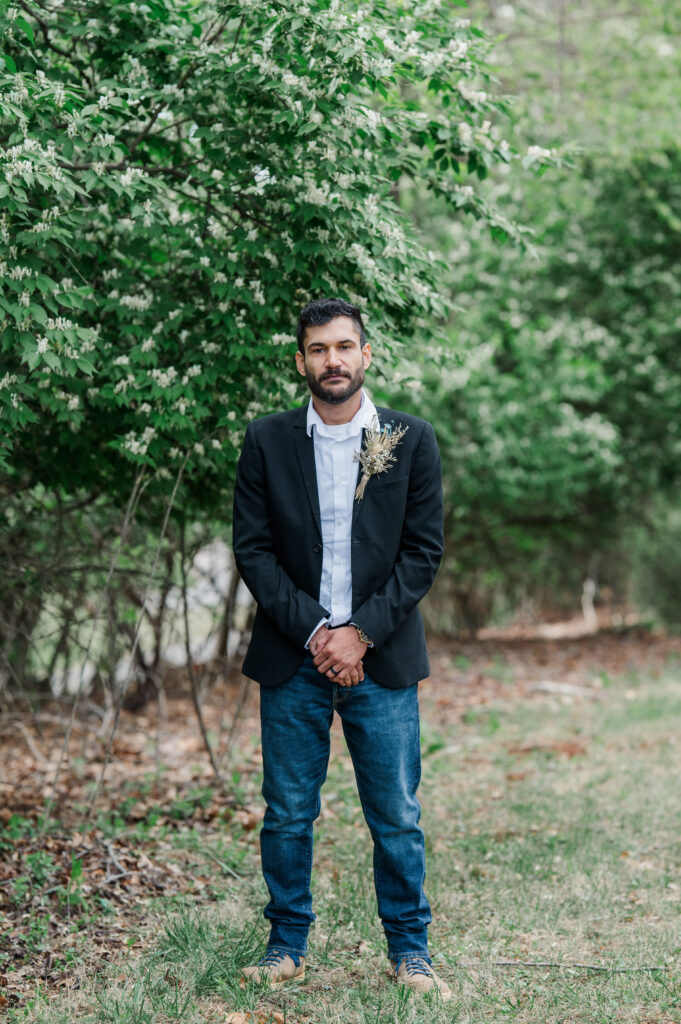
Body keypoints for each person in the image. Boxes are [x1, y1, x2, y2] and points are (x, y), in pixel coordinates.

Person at [232, 297, 449, 999]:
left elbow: (421, 553)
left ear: (365, 355)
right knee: (288, 810)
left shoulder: (410, 439)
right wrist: (318, 632)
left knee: (395, 813)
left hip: (380, 657)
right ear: (300, 360)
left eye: (344, 347)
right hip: (291, 656)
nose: (332, 360)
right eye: (318, 349)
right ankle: (284, 944)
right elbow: (254, 551)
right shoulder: (265, 441)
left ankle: (409, 952)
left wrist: (360, 632)